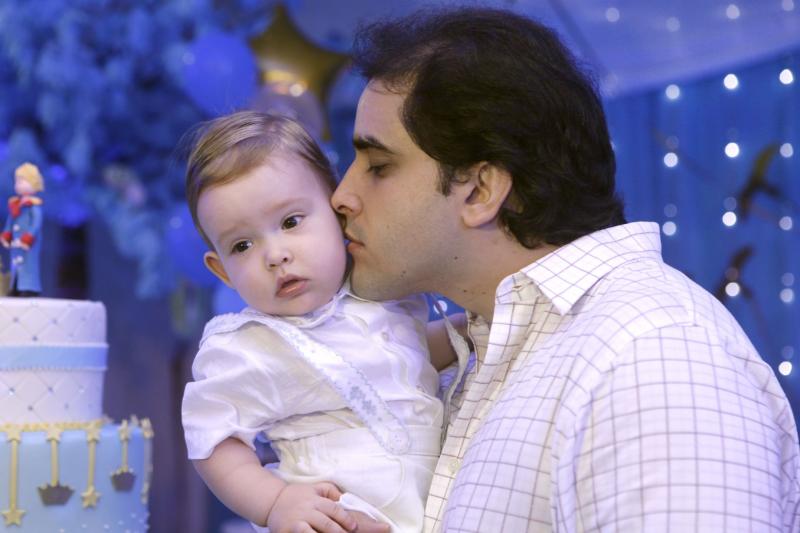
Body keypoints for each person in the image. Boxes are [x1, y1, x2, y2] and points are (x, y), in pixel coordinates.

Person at [331, 6, 800, 532]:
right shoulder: (503, 351)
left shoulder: (651, 355)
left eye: (378, 166)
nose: (341, 196)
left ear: (481, 190)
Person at [181, 111, 460, 533]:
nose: (275, 255)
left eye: (290, 222)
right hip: (338, 516)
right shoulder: (251, 346)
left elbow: (411, 354)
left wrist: (467, 333)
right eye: (242, 245)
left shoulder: (382, 292)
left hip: (434, 508)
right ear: (222, 271)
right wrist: (274, 503)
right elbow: (213, 439)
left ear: (336, 210)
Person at [1, 162, 44, 296]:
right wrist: (6, 235)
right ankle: (16, 286)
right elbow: (11, 221)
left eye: (21, 181)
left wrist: (28, 237)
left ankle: (29, 288)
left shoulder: (33, 207)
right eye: (17, 181)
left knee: (28, 265)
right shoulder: (16, 205)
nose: (18, 184)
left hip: (28, 243)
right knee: (15, 264)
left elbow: (36, 223)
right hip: (17, 242)